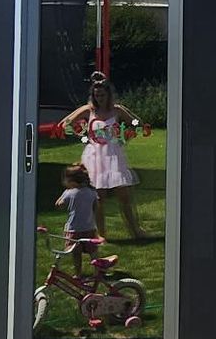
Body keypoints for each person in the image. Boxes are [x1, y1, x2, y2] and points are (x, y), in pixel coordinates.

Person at [58, 72, 149, 240]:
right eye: (96, 95)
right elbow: (65, 124)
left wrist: (127, 135)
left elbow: (136, 123)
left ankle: (135, 230)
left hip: (114, 154)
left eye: (102, 95)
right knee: (99, 196)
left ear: (108, 94)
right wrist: (84, 137)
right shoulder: (89, 110)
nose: (99, 98)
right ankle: (101, 234)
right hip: (95, 155)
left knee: (124, 195)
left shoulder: (117, 110)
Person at [53, 163, 100, 273]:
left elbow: (58, 205)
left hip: (74, 229)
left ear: (71, 181)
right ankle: (98, 272)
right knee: (93, 252)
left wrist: (62, 199)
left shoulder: (69, 193)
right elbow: (96, 207)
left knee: (76, 253)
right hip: (89, 227)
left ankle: (78, 273)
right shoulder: (92, 192)